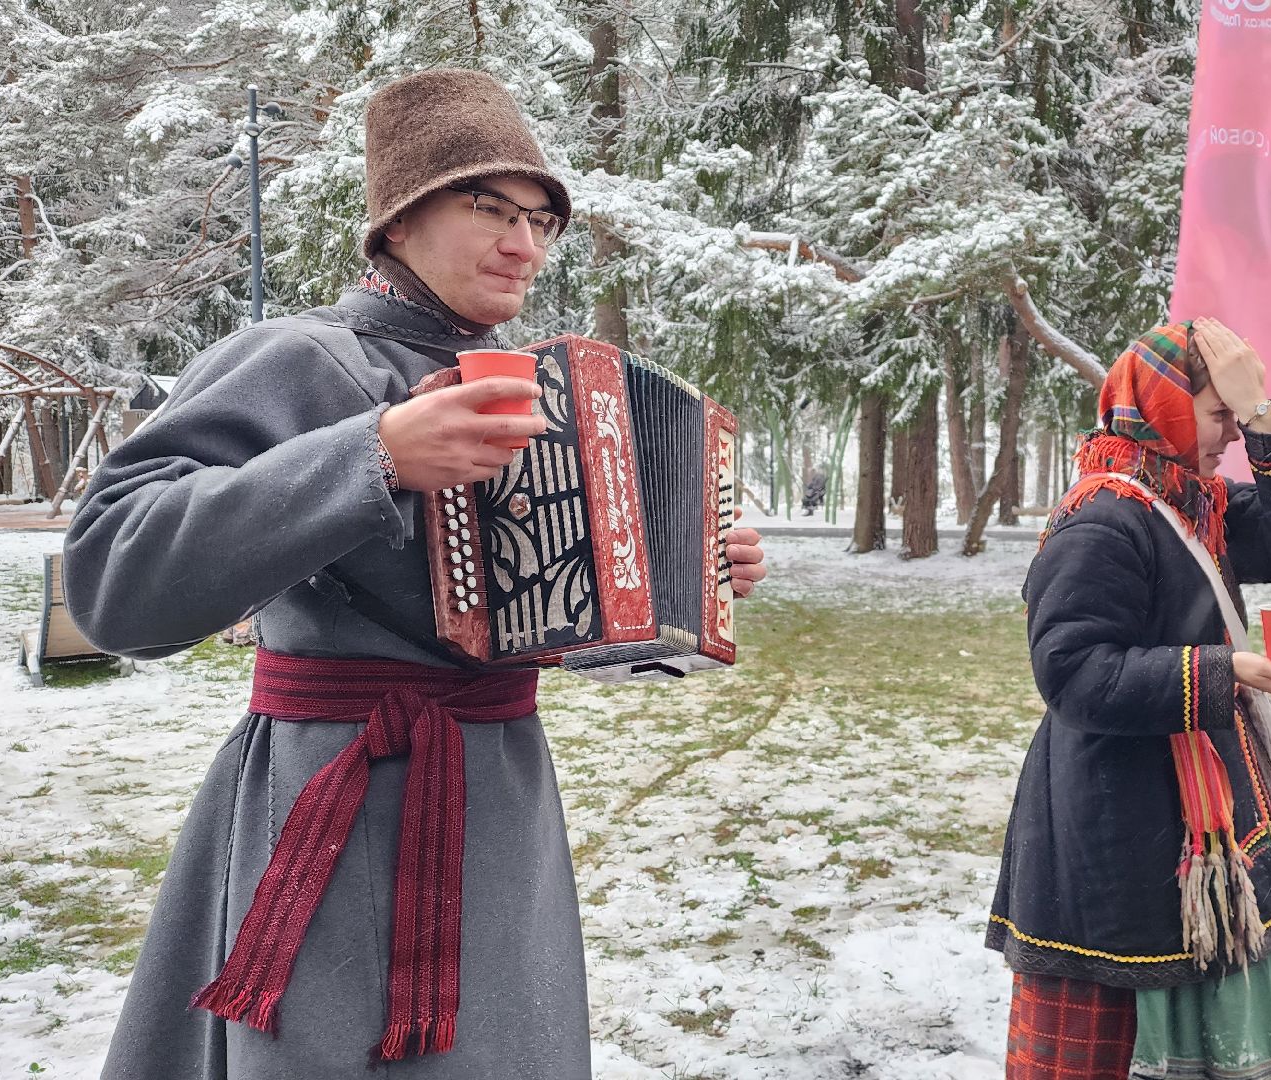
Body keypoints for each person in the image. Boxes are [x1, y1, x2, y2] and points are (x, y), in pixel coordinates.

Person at [63, 68, 768, 1079]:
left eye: (542, 220)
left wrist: (691, 580)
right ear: (397, 220)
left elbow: (548, 620)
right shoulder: (296, 359)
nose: (523, 244)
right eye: (488, 208)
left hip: (500, 805)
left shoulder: (538, 392)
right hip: (337, 807)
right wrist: (374, 455)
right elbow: (110, 581)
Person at [988, 317, 1271, 1080]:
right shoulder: (1103, 519)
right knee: (1118, 1045)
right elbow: (1074, 673)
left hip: (1187, 821)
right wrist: (1223, 672)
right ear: (1170, 409)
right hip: (1117, 831)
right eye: (1219, 416)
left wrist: (1265, 419)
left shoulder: (1192, 502)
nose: (1227, 437)